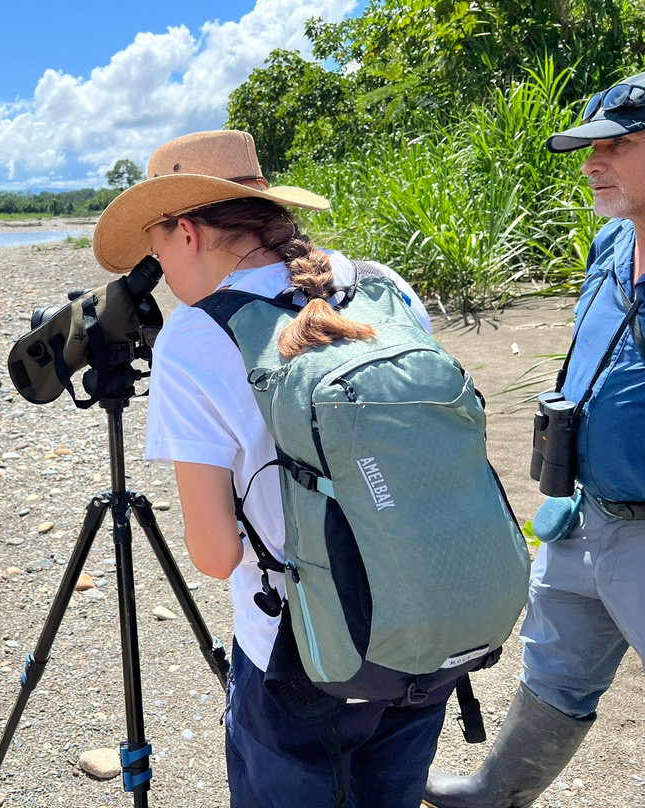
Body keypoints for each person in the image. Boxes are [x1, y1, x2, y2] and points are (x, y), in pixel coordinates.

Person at [93, 129, 444, 808]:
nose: (157, 266)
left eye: (156, 246)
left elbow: (217, 555)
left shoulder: (194, 340)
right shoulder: (379, 284)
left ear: (187, 232)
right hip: (430, 621)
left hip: (306, 658)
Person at [425, 72, 645, 807]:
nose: (591, 162)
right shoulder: (614, 240)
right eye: (587, 146)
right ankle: (494, 792)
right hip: (586, 511)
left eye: (616, 145)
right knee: (556, 667)